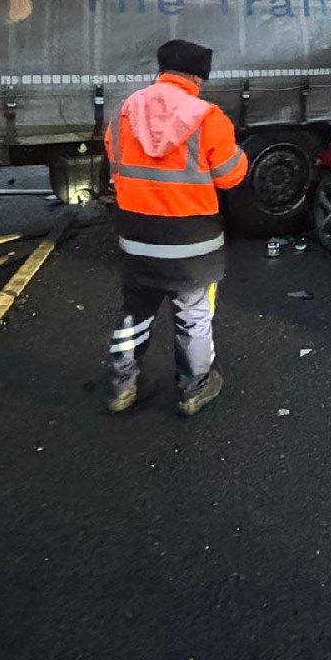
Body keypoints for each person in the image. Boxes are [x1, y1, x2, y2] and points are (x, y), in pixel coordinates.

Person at [103, 40, 248, 416]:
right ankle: (194, 388)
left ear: (162, 69)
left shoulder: (123, 112)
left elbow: (116, 167)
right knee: (193, 315)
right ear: (198, 76)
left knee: (135, 313)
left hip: (137, 237)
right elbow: (230, 177)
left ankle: (122, 386)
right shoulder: (207, 117)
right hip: (191, 243)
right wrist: (241, 156)